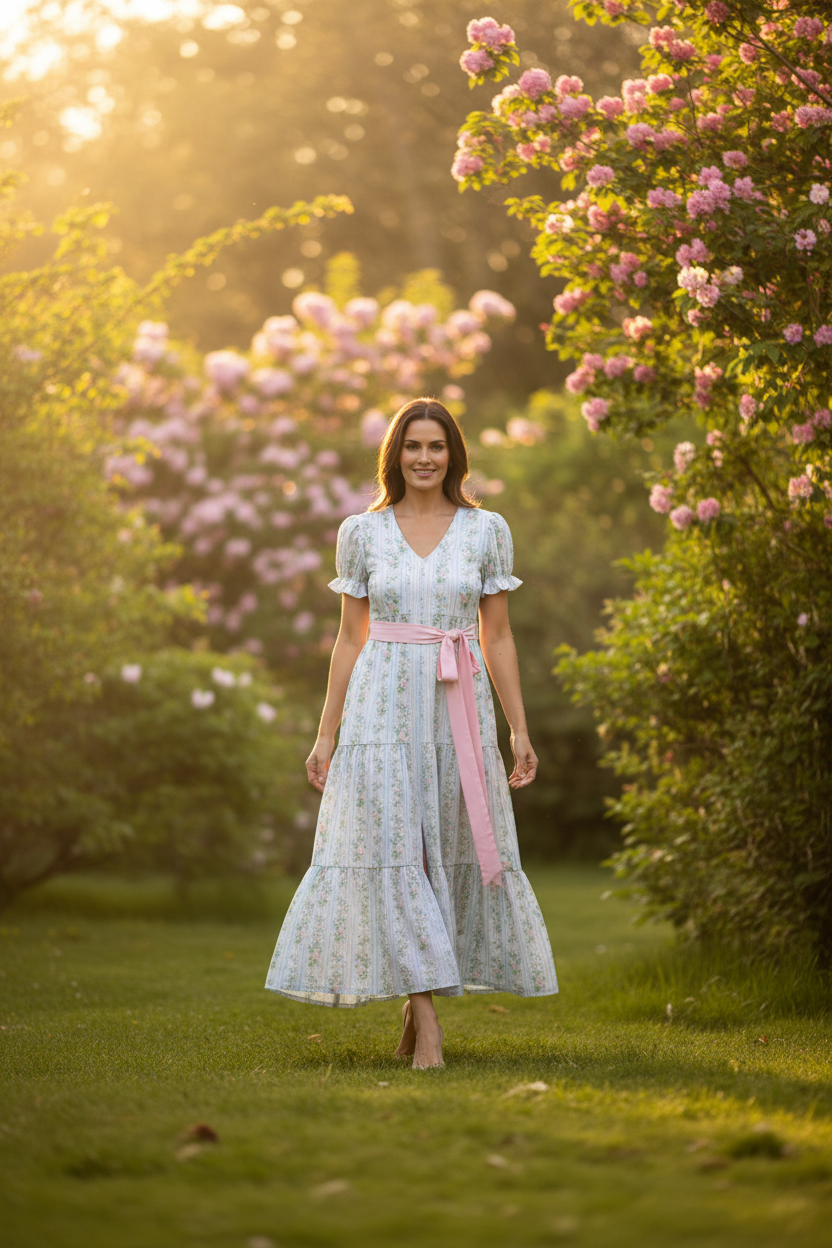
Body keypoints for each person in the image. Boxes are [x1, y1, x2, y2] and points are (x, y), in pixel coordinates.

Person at [265, 398, 558, 1068]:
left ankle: (413, 1005)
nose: (424, 458)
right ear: (394, 455)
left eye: (436, 446)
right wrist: (325, 735)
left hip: (458, 707)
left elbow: (500, 636)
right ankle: (426, 1021)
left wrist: (519, 729)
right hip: (381, 707)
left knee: (442, 849)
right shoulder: (361, 534)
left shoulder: (487, 530)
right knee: (391, 847)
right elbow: (347, 639)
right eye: (412, 446)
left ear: (454, 454)